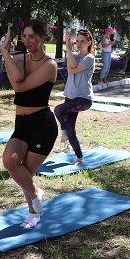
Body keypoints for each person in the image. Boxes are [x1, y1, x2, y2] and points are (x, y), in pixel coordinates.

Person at [0, 19, 58, 229]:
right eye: (24, 36)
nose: (27, 40)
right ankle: (36, 195)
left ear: (43, 37)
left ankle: (33, 214)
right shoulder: (19, 58)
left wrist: (7, 56)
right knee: (10, 160)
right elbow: (17, 78)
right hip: (22, 123)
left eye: (32, 36)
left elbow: (19, 87)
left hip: (43, 125)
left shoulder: (50, 65)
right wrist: (5, 52)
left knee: (27, 171)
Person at [54, 29, 95, 165]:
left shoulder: (89, 58)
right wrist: (68, 48)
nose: (79, 44)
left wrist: (70, 56)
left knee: (58, 110)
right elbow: (71, 67)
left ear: (89, 42)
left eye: (82, 41)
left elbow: (72, 69)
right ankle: (80, 157)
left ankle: (63, 130)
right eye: (77, 41)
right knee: (71, 129)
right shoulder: (74, 56)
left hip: (83, 99)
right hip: (71, 96)